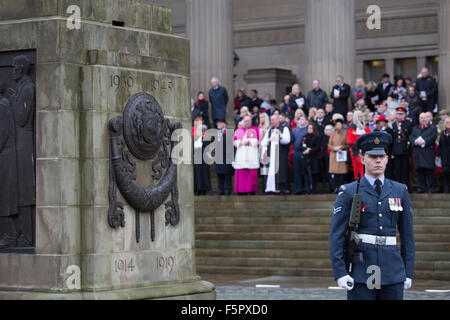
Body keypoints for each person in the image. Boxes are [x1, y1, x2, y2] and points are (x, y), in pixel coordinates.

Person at [329, 131, 415, 300]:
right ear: (362, 159)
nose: (378, 160)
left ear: (387, 159)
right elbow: (336, 235)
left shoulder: (400, 190)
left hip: (392, 269)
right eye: (372, 156)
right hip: (361, 270)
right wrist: (340, 272)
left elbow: (407, 236)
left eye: (382, 156)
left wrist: (408, 270)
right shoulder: (349, 191)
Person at [0, 81, 19, 249]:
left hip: (4, 159)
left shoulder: (2, 106)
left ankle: (11, 234)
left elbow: (2, 133)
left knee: (4, 199)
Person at [261, 114, 291, 194]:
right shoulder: (269, 130)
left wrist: (280, 135)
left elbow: (287, 140)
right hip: (271, 154)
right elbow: (263, 142)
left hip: (280, 154)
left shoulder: (284, 128)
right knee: (270, 172)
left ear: (278, 120)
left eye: (273, 120)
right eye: (271, 120)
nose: (272, 121)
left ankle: (281, 189)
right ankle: (271, 188)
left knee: (281, 172)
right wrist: (268, 140)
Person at [409, 112, 438, 193]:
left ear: (428, 119)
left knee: (429, 172)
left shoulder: (432, 127)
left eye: (425, 117)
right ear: (419, 119)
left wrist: (424, 141)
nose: (423, 119)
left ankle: (430, 189)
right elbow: (411, 136)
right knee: (419, 172)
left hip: (428, 153)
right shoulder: (415, 128)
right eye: (421, 118)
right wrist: (415, 141)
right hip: (418, 153)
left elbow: (433, 136)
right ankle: (420, 188)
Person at [233, 116, 260, 195]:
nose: (247, 122)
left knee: (251, 174)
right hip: (241, 155)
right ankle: (241, 190)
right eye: (245, 121)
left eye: (248, 121)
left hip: (251, 154)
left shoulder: (255, 129)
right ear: (243, 122)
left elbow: (257, 141)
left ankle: (250, 190)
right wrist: (241, 142)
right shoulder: (238, 130)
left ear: (251, 121)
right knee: (241, 174)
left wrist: (246, 141)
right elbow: (235, 141)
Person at [390, 107, 414, 186]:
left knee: (405, 169)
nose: (399, 116)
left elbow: (410, 136)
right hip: (396, 149)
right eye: (398, 114)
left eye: (401, 114)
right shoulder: (393, 124)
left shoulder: (409, 123)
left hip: (405, 149)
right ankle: (398, 186)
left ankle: (406, 186)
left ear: (405, 115)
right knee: (397, 170)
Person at [347, 110, 371, 180]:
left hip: (366, 151)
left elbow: (369, 138)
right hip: (356, 151)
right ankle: (359, 183)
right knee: (358, 168)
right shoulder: (351, 127)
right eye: (359, 117)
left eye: (362, 116)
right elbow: (350, 141)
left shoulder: (366, 127)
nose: (361, 118)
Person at [328, 114, 348, 193]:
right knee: (334, 174)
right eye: (337, 124)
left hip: (341, 155)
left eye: (340, 124)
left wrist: (341, 147)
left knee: (341, 174)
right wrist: (334, 148)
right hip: (334, 155)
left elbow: (347, 144)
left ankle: (341, 188)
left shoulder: (345, 134)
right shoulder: (333, 134)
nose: (338, 126)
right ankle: (335, 188)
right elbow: (329, 145)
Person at [213, 119, 234, 196]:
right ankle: (220, 190)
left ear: (224, 124)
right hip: (218, 158)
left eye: (220, 123)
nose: (218, 124)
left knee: (227, 175)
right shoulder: (217, 133)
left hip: (227, 157)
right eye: (217, 122)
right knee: (219, 175)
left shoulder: (229, 132)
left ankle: (227, 190)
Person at [300, 124, 321, 194]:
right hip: (306, 159)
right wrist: (305, 149)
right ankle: (308, 189)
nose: (310, 129)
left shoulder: (316, 137)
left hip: (313, 158)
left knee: (313, 174)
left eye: (311, 128)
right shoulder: (304, 137)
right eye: (308, 128)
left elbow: (318, 147)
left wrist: (310, 150)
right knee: (306, 174)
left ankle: (314, 189)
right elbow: (300, 146)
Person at [192, 118, 211, 196]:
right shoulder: (195, 139)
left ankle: (203, 190)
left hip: (203, 159)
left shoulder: (206, 139)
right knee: (196, 174)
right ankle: (197, 189)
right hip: (196, 158)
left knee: (203, 175)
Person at [292, 116, 309, 194]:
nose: (301, 121)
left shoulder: (307, 129)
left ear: (306, 121)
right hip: (296, 153)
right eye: (300, 119)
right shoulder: (294, 130)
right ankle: (298, 189)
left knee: (305, 172)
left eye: (303, 119)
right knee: (297, 172)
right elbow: (293, 141)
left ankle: (307, 188)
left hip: (305, 153)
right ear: (297, 121)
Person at [438, 118, 450, 193]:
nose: (448, 123)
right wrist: (438, 155)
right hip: (445, 157)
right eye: (447, 122)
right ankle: (447, 190)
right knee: (446, 174)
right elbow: (440, 145)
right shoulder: (443, 133)